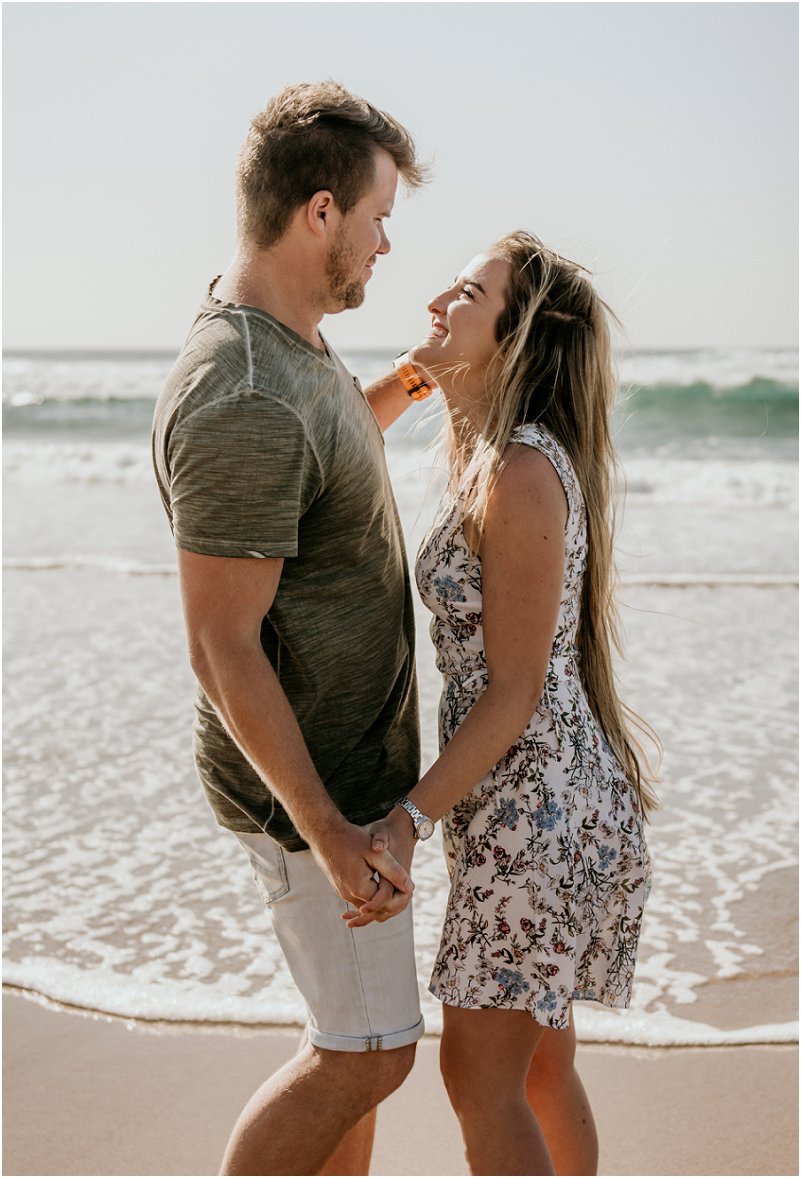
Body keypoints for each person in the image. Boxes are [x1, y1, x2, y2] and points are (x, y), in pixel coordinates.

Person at [152, 81, 432, 1176]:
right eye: (377, 216)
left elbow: (320, 459)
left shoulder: (295, 346)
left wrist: (413, 380)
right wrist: (326, 827)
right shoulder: (246, 389)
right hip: (306, 788)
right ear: (320, 211)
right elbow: (221, 643)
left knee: (355, 1044)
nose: (387, 241)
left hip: (344, 775)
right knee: (363, 1055)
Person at [349, 231, 657, 1176]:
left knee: (482, 1083)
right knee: (538, 1072)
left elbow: (515, 691)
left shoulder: (521, 470)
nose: (441, 293)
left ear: (519, 333)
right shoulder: (492, 449)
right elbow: (335, 437)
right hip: (534, 805)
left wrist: (406, 821)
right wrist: (420, 369)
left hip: (538, 814)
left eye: (471, 292)